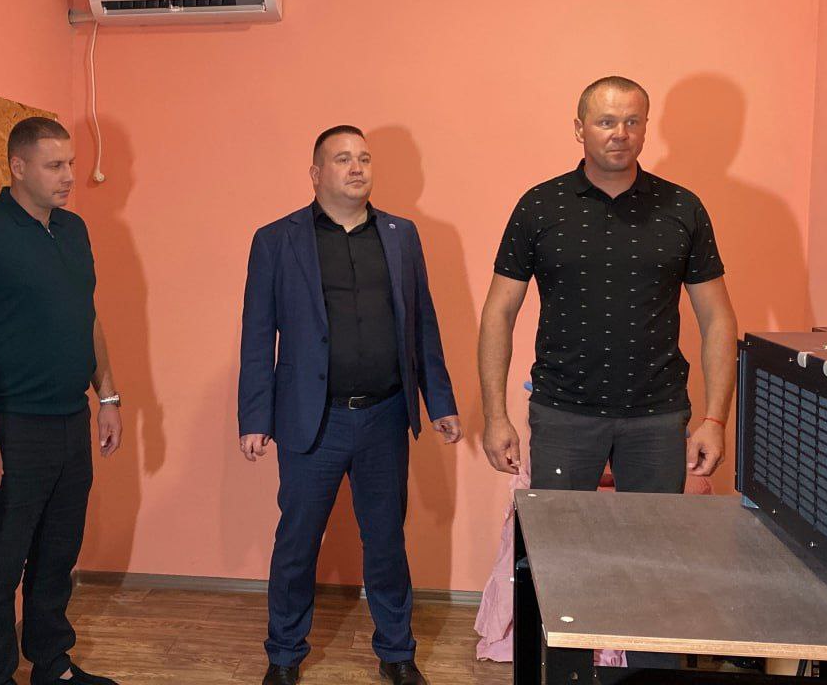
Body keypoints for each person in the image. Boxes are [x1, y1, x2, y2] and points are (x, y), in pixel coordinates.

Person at [478, 75, 738, 670]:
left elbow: (718, 318)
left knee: (658, 571)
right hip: (563, 415)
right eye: (605, 121)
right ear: (579, 129)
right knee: (561, 571)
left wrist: (715, 418)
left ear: (646, 128)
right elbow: (498, 313)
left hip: (657, 419)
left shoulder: (683, 207)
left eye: (632, 121)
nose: (619, 133)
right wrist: (495, 416)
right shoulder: (540, 206)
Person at [239, 125, 461, 685]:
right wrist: (255, 417)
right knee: (297, 543)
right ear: (316, 173)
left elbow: (423, 324)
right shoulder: (276, 239)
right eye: (342, 159)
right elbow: (257, 335)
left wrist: (440, 401)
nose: (357, 167)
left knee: (386, 541)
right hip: (311, 420)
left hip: (385, 415)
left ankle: (397, 652)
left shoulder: (401, 235)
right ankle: (283, 656)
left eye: (364, 157)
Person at [0, 117, 123, 685]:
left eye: (70, 164)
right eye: (55, 166)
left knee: (57, 556)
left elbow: (87, 316)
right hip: (9, 427)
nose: (68, 176)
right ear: (17, 167)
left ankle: (52, 665)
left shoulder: (73, 229)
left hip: (70, 420)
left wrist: (108, 395)